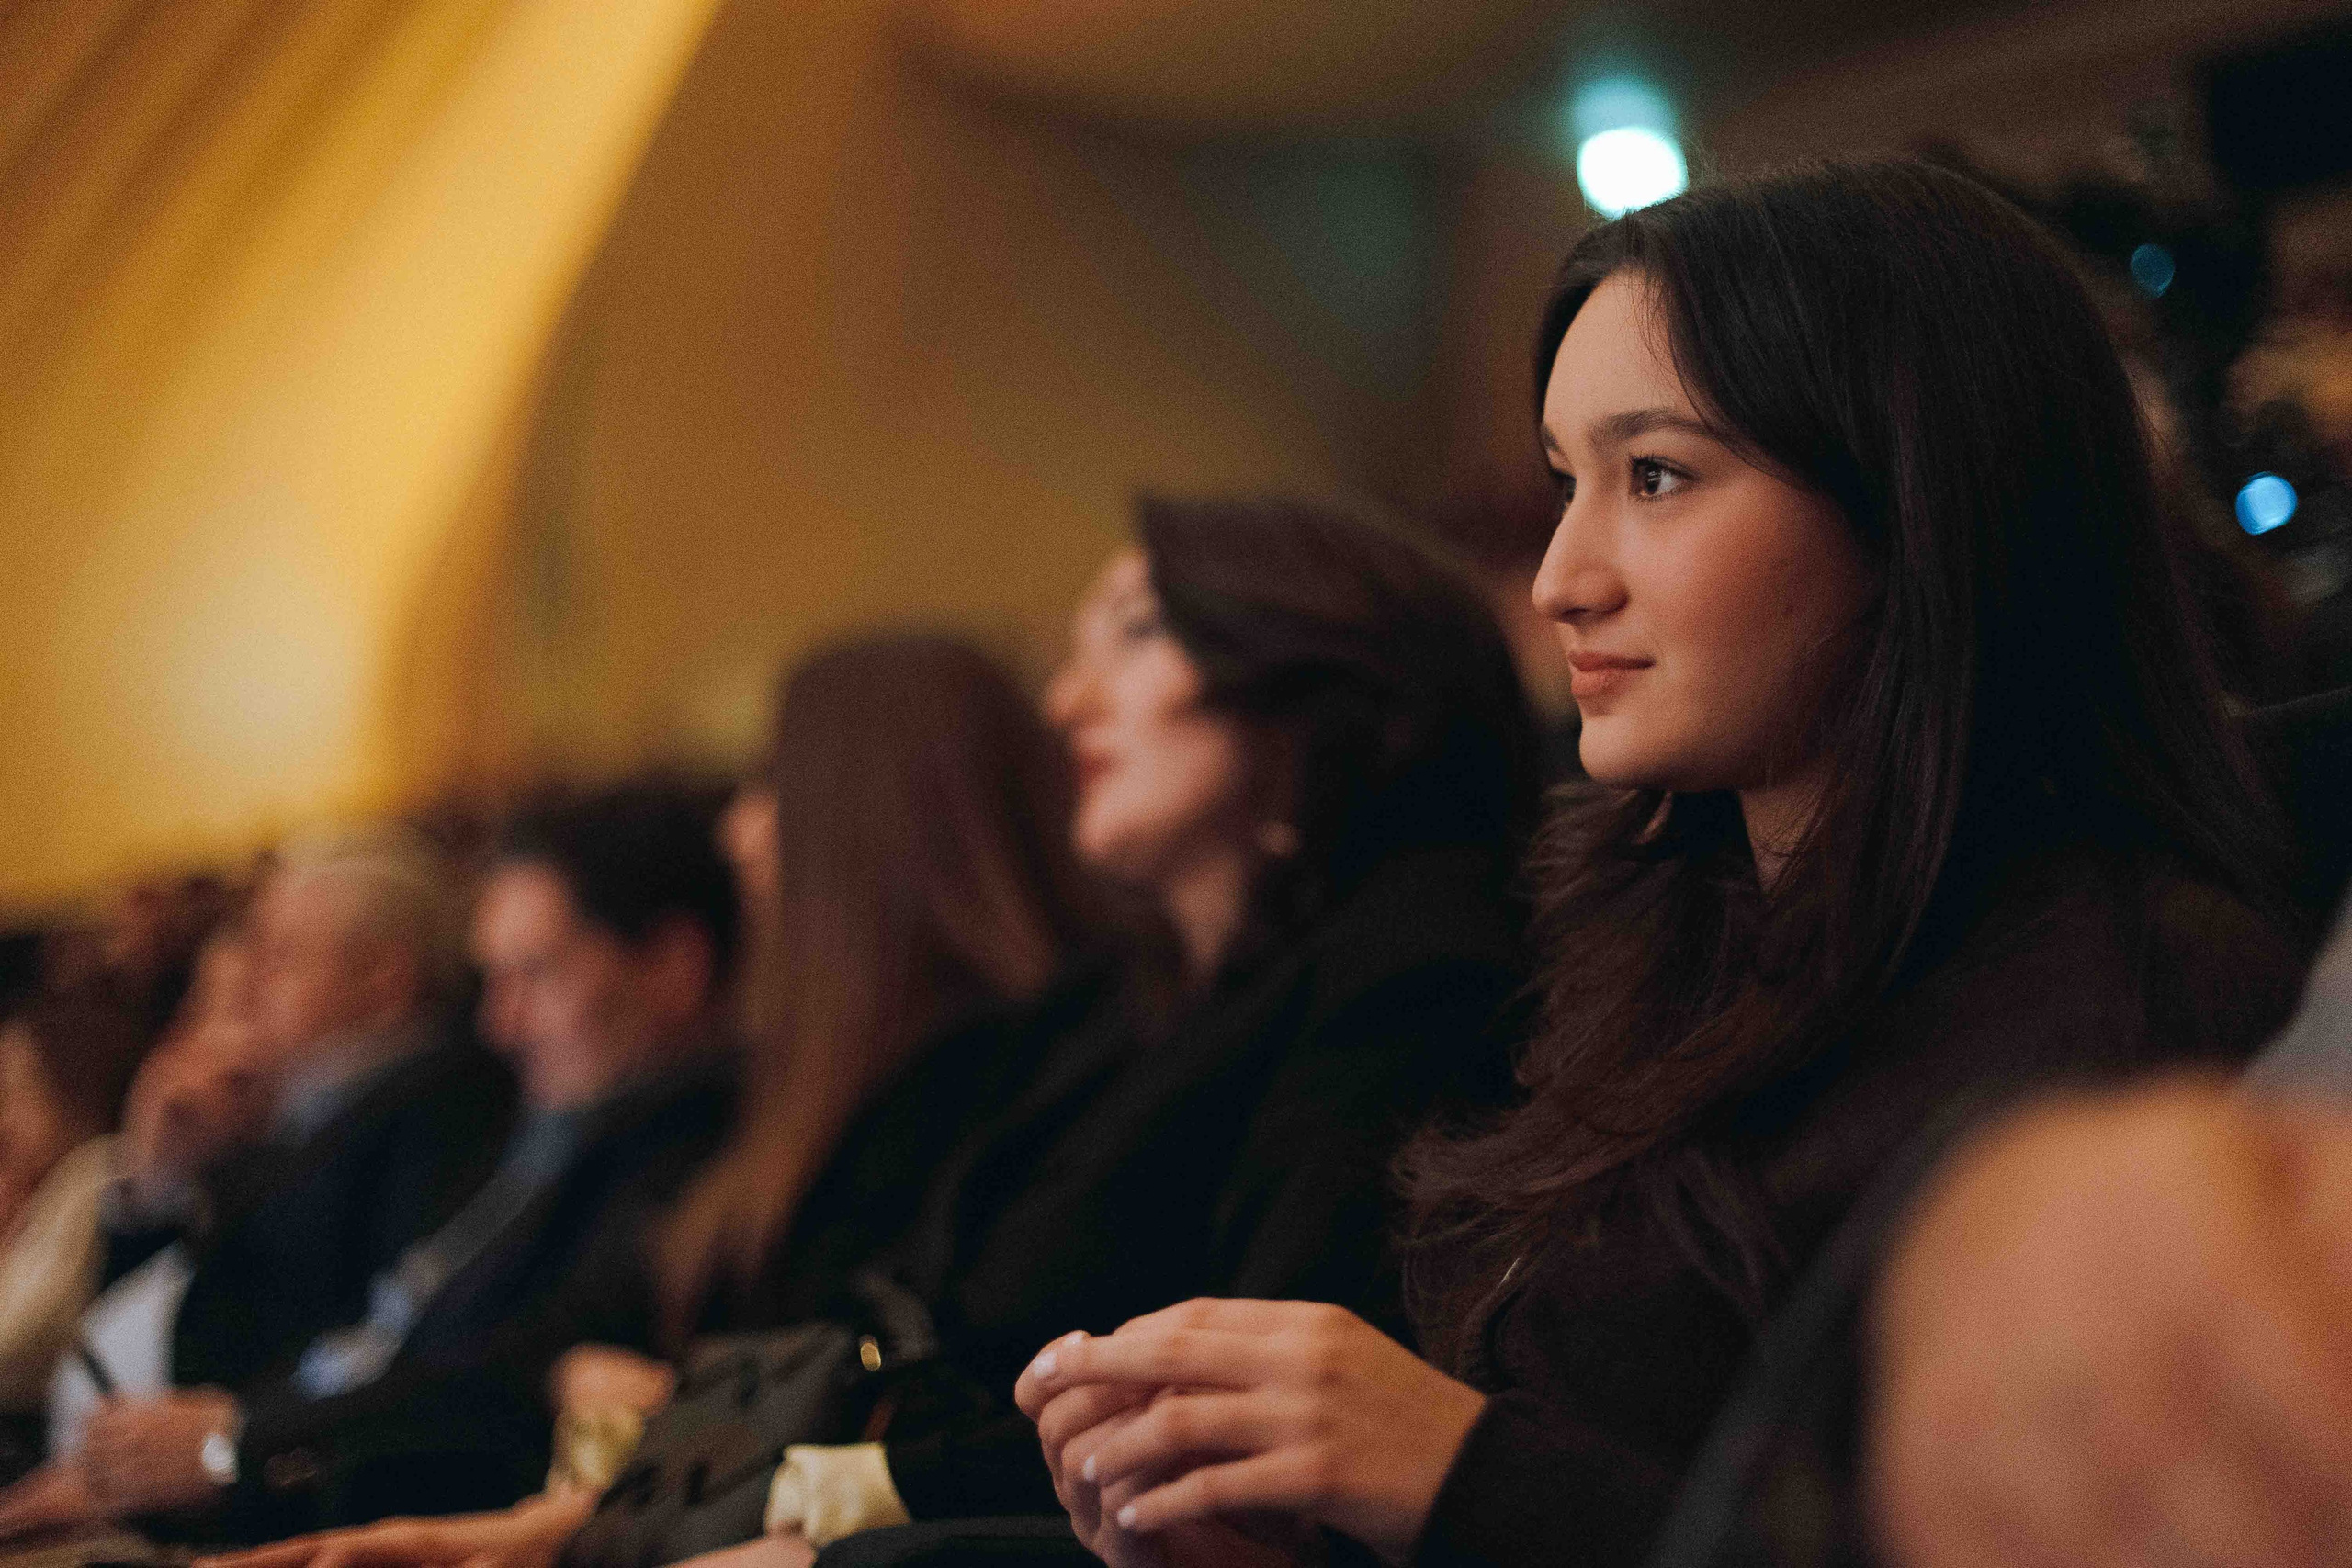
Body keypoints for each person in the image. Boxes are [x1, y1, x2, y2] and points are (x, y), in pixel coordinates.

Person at [1016, 158, 2312, 1568]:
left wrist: (1457, 1470)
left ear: (1916, 504)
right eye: (1568, 482)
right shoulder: (1655, 945)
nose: (1564, 575)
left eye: (1655, 477)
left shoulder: (2130, 1001)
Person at [205, 496, 1539, 1568]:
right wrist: (577, 1522)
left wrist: (800, 1516)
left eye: (1133, 634)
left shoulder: (1403, 975)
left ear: (1309, 677)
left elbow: (1215, 1443)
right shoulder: (1111, 1008)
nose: (1069, 706)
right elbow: (873, 1344)